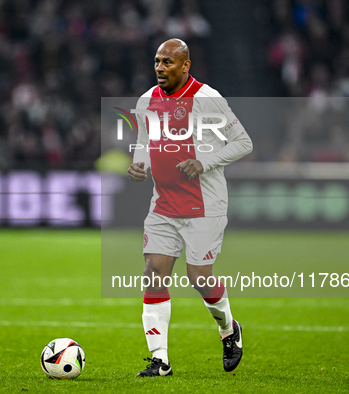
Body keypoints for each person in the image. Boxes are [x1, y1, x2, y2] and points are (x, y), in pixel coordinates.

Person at [127, 38, 253, 376]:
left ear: (186, 66)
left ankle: (229, 329)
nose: (160, 68)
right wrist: (140, 164)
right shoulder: (146, 101)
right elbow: (144, 140)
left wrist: (204, 161)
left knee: (199, 278)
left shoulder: (207, 99)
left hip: (205, 205)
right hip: (163, 204)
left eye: (168, 62)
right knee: (154, 274)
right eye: (157, 61)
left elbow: (243, 142)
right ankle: (160, 360)